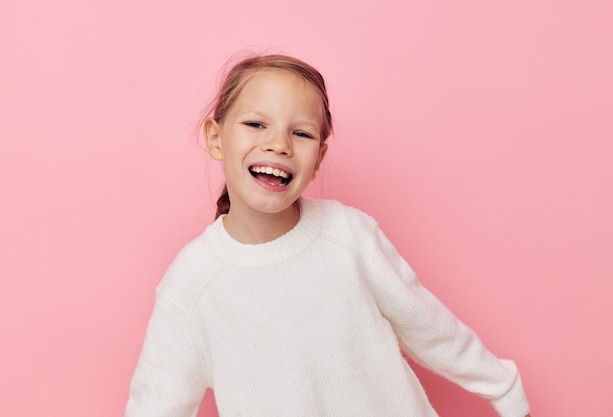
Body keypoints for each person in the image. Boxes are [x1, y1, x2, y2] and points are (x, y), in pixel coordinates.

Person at [125, 53, 531, 417]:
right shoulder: (192, 284)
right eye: (255, 124)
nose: (279, 144)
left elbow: (430, 327)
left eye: (301, 133)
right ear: (216, 137)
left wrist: (504, 388)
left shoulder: (348, 235)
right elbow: (157, 404)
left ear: (318, 158)